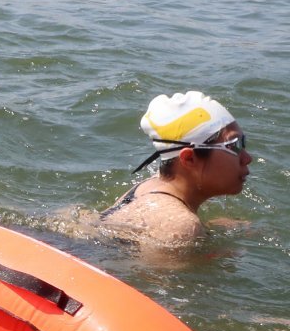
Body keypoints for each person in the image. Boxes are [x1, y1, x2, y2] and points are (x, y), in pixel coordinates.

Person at [100, 91, 252, 246]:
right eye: (234, 145)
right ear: (189, 158)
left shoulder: (150, 187)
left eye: (243, 142)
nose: (247, 158)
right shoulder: (181, 228)